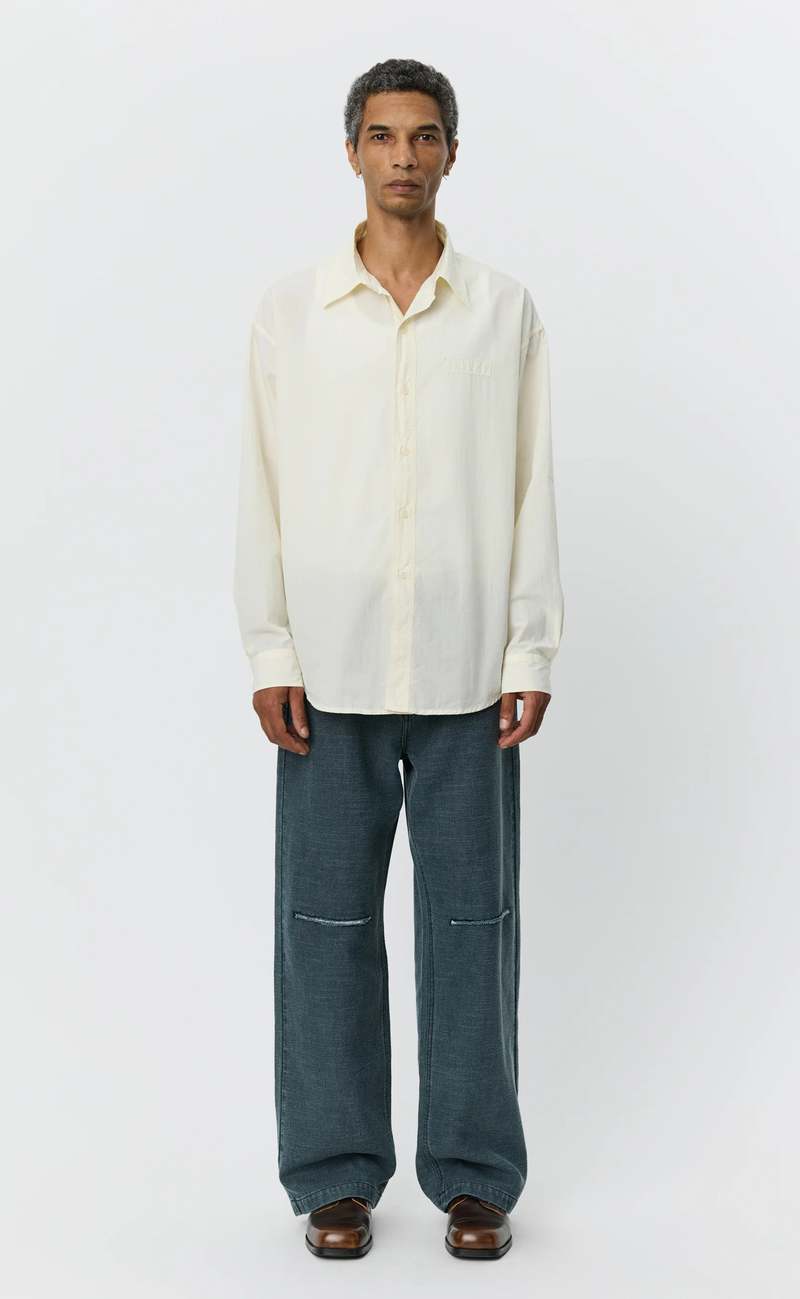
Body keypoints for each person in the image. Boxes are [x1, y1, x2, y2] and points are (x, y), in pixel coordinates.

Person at [233, 57, 565, 1261]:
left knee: (473, 922)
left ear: (450, 154)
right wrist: (268, 645)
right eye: (382, 136)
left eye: (424, 137)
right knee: (322, 922)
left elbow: (529, 483)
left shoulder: (503, 311)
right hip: (327, 670)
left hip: (469, 669)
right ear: (351, 153)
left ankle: (473, 1176)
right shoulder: (291, 313)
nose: (403, 157)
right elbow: (261, 483)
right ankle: (333, 1174)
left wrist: (530, 646)